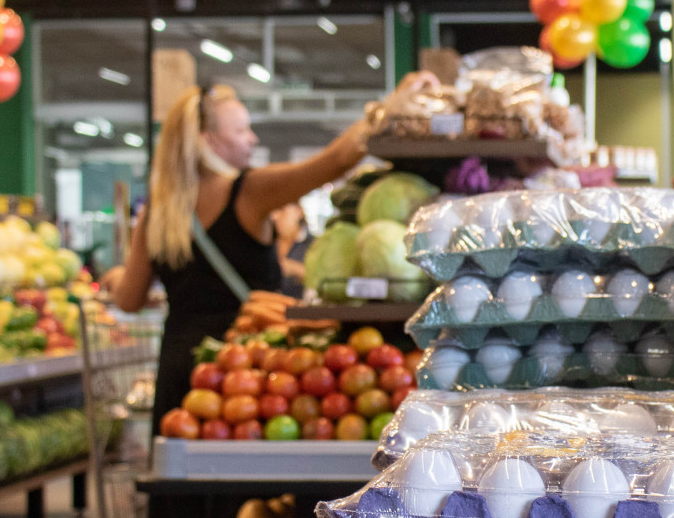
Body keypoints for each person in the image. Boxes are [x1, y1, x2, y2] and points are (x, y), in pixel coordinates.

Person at [112, 75, 434, 429]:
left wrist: (114, 279)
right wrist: (397, 104)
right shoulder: (249, 191)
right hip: (243, 374)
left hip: (178, 375)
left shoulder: (158, 211)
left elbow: (129, 300)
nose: (253, 139)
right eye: (241, 131)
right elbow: (335, 161)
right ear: (209, 142)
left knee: (179, 475)